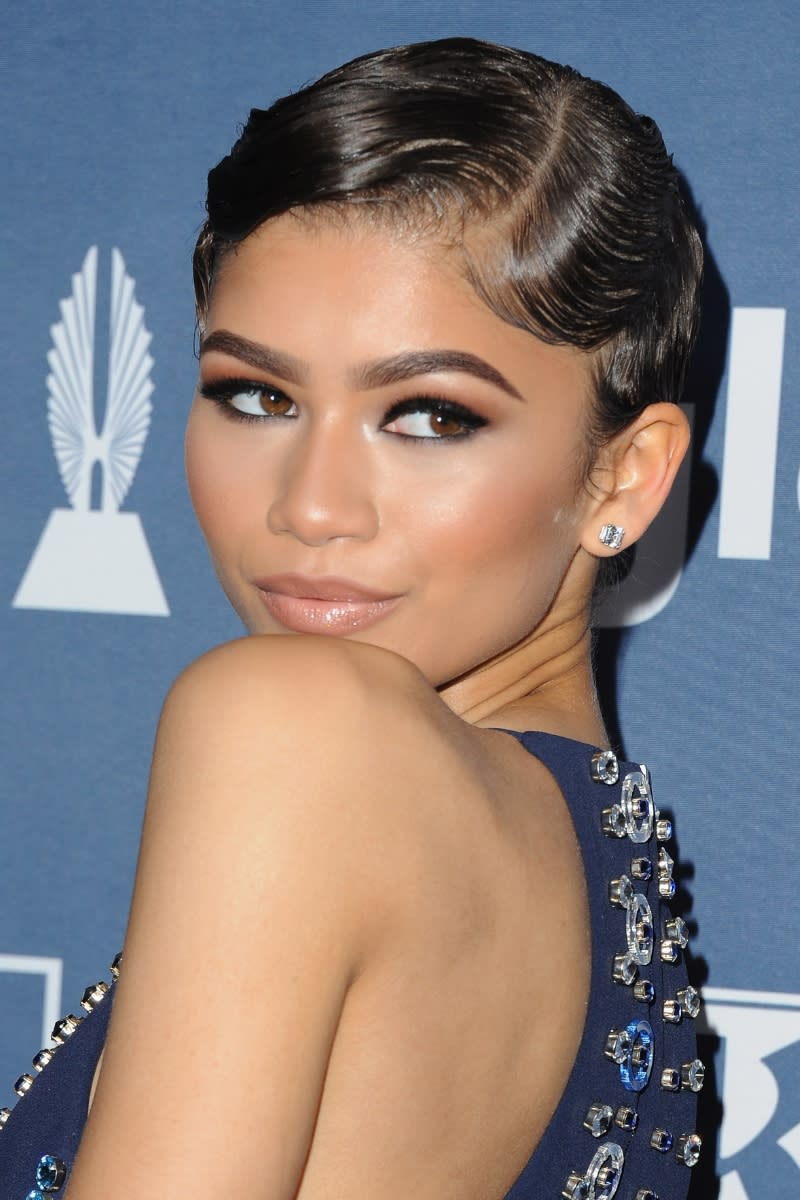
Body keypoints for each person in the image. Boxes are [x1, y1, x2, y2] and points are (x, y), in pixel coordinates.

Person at [0, 37, 704, 1200]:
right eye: (257, 396)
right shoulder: (601, 895)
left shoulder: (293, 724)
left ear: (622, 478)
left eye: (428, 416)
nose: (309, 506)